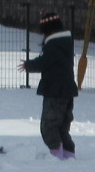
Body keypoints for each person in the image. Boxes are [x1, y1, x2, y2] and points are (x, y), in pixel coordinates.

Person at [23, 13, 78, 158]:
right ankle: (68, 153)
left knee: (49, 125)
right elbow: (49, 60)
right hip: (67, 91)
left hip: (55, 91)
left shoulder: (53, 45)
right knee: (61, 126)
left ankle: (56, 155)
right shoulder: (65, 42)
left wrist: (29, 65)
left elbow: (45, 61)